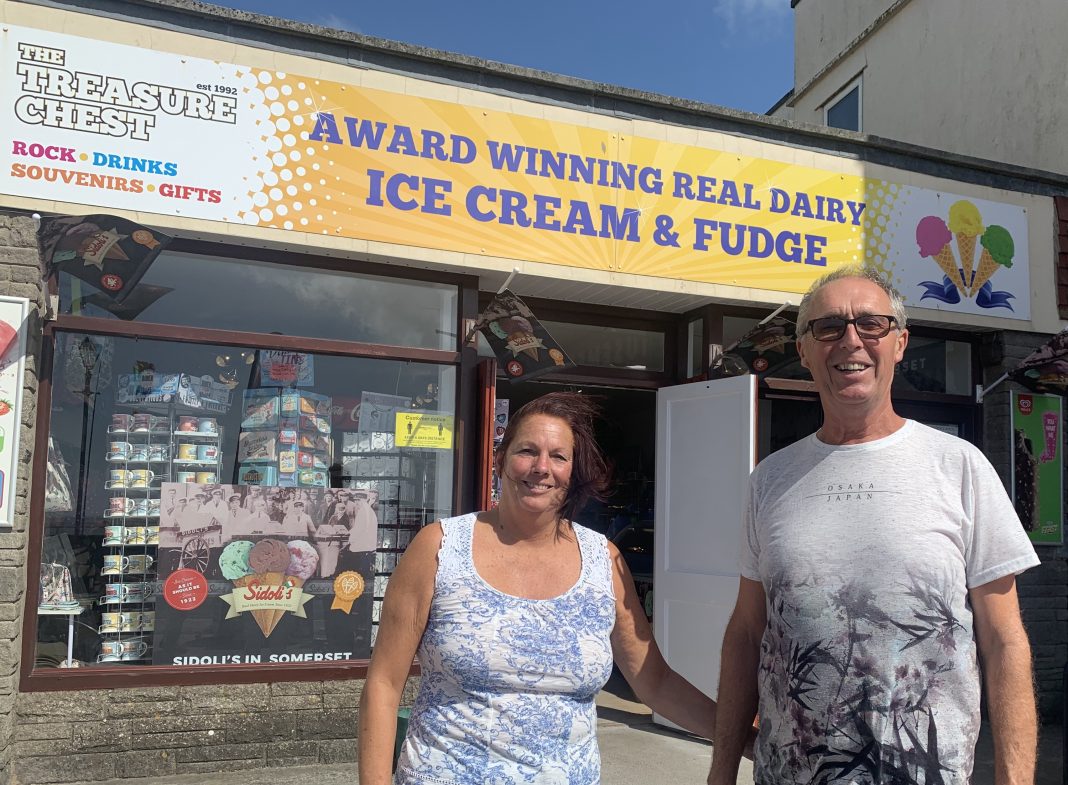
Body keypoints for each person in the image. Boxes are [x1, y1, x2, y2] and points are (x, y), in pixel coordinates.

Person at [708, 266, 1040, 785]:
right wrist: (720, 771)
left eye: (872, 324)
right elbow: (748, 634)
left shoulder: (959, 466)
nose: (851, 340)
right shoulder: (770, 479)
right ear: (805, 349)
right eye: (829, 327)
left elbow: (1004, 640)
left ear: (901, 343)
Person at [360, 392, 720, 785]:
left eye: (559, 457)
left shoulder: (603, 561)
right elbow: (384, 683)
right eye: (527, 451)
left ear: (573, 471)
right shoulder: (440, 547)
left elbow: (656, 682)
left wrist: (744, 737)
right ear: (500, 460)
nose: (541, 468)